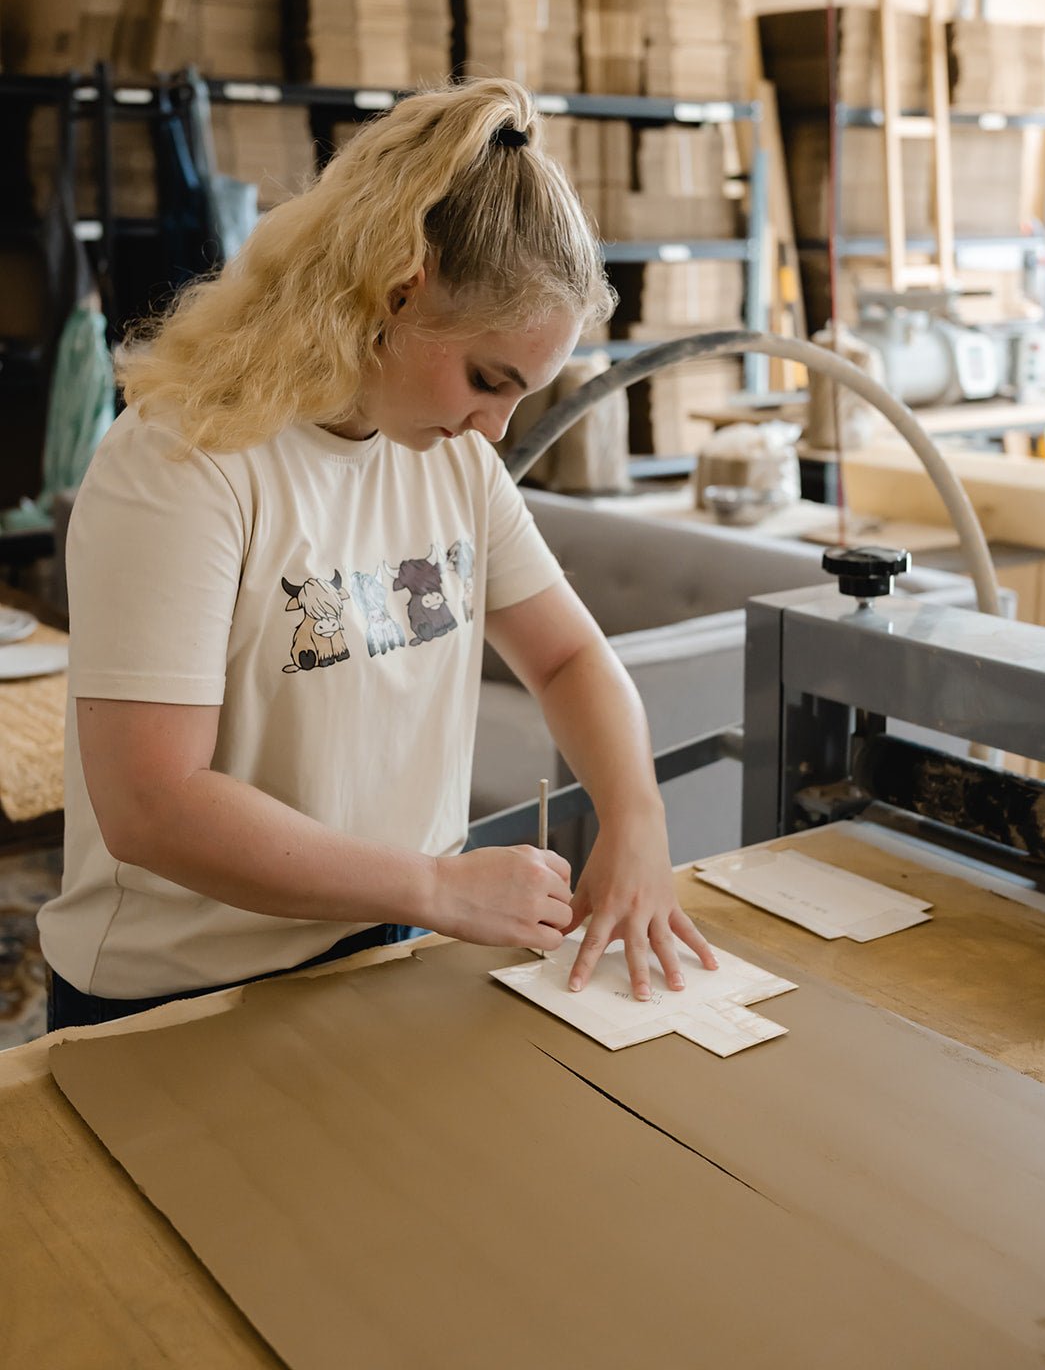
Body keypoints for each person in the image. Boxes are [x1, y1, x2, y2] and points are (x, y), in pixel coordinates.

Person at [38, 77, 717, 1030]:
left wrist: (636, 820)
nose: (495, 428)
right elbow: (153, 803)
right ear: (396, 292)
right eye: (487, 379)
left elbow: (568, 657)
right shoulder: (185, 462)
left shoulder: (453, 463)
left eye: (520, 396)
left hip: (382, 946)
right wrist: (437, 887)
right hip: (179, 992)